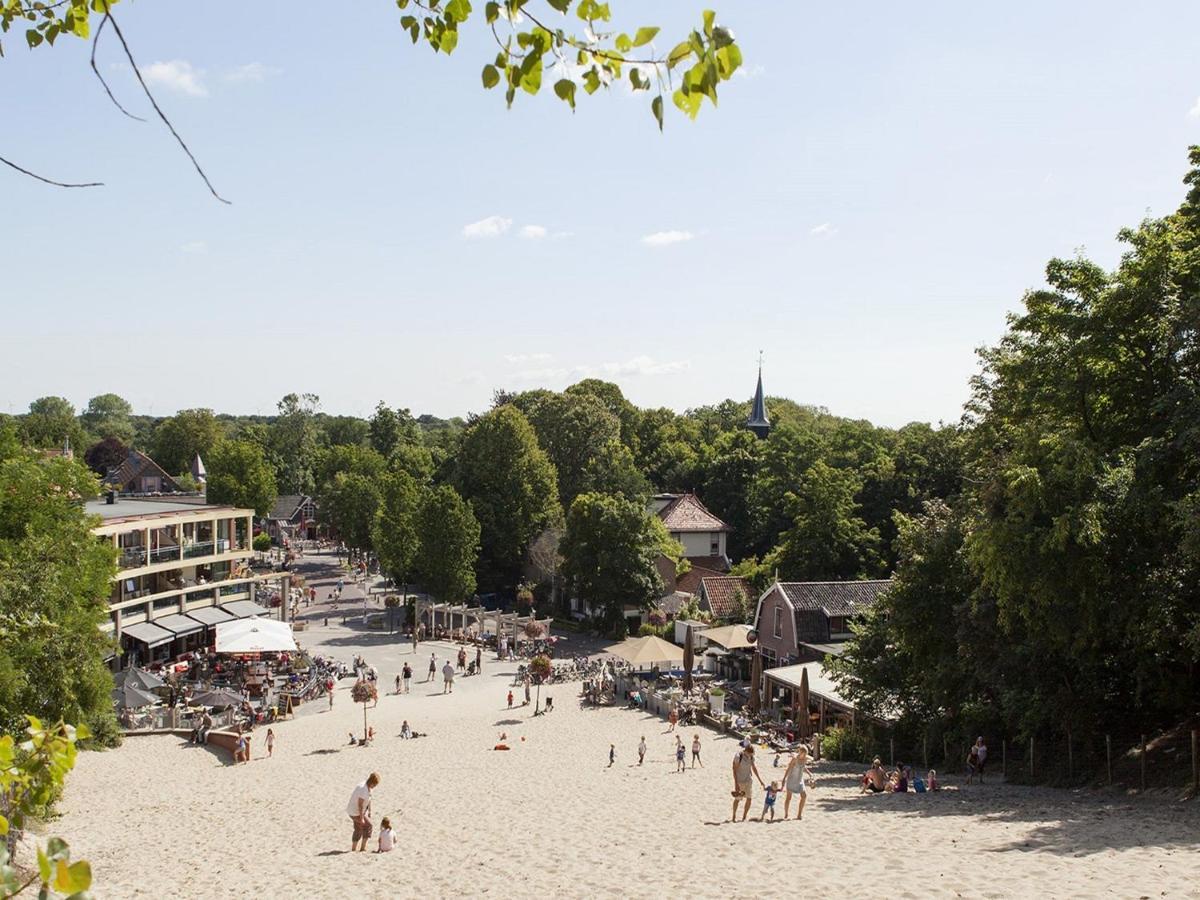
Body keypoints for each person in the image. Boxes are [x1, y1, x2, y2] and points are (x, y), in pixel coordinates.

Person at [731, 743, 765, 822]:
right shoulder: (738, 757)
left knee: (749, 798)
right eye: (750, 753)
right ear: (746, 751)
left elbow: (754, 768)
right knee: (737, 799)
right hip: (740, 781)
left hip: (748, 780)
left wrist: (760, 780)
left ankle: (744, 816)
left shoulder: (751, 757)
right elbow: (734, 770)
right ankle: (734, 816)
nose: (751, 755)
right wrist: (736, 784)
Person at [347, 773, 379, 852]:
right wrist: (361, 818)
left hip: (357, 811)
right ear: (372, 782)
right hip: (355, 812)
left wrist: (369, 811)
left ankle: (354, 849)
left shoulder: (367, 786)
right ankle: (362, 848)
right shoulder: (363, 789)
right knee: (368, 826)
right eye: (374, 785)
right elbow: (360, 805)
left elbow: (369, 799)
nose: (374, 787)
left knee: (358, 828)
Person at [782, 745, 812, 820]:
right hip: (792, 779)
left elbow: (803, 767)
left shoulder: (805, 759)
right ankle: (786, 814)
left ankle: (799, 814)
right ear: (800, 752)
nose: (805, 755)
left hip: (799, 780)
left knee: (804, 796)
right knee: (788, 798)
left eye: (805, 754)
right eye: (803, 753)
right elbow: (788, 768)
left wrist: (809, 773)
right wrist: (784, 779)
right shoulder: (794, 759)